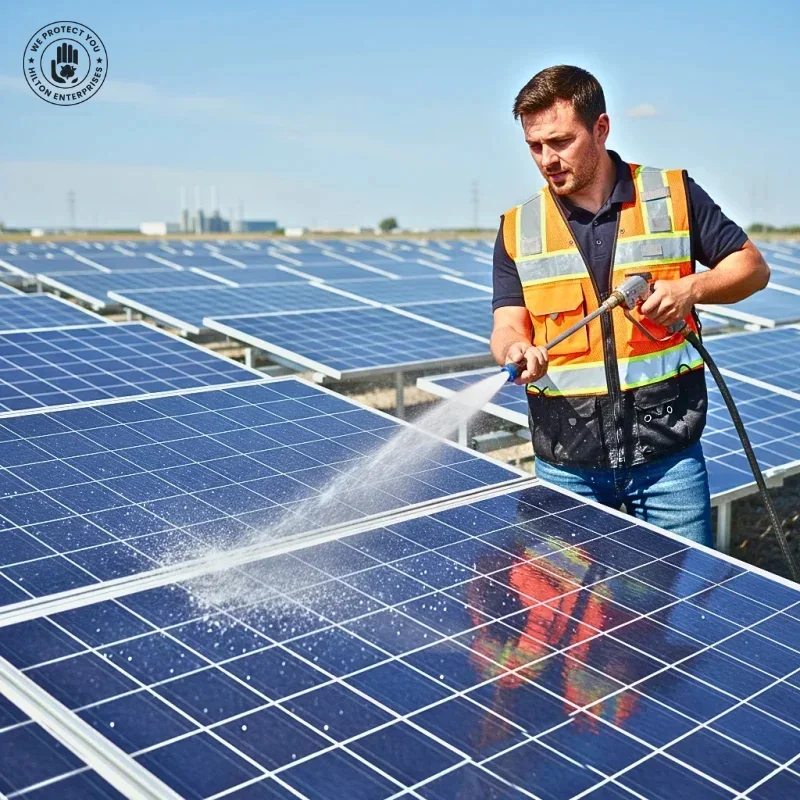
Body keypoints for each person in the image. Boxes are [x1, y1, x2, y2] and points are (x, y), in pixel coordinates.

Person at [490, 65, 770, 547]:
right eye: (535, 146)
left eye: (560, 141)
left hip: (667, 463)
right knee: (574, 620)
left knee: (676, 616)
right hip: (565, 466)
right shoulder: (519, 227)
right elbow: (506, 325)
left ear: (601, 128)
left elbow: (753, 268)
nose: (547, 159)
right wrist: (516, 348)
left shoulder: (672, 195)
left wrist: (691, 290)